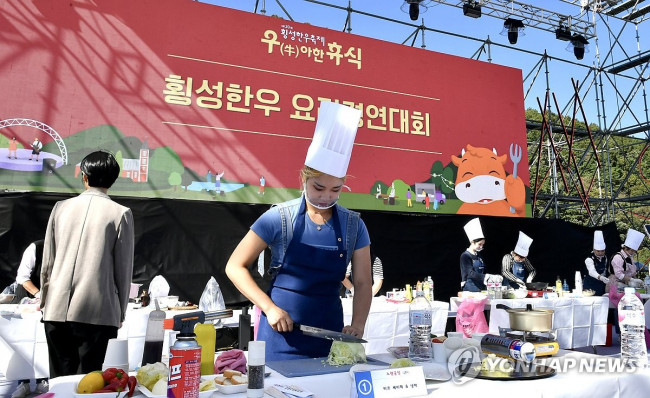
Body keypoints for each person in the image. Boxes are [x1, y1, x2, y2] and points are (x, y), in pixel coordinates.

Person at [225, 101, 371, 361]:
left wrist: (358, 325)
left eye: (335, 190)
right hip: (280, 336)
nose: (326, 196)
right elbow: (235, 266)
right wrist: (269, 308)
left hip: (331, 338)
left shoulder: (353, 225)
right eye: (318, 188)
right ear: (303, 178)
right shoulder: (278, 217)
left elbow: (362, 282)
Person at [40, 150, 134, 377]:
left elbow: (47, 263)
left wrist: (45, 300)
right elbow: (124, 269)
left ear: (84, 176)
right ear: (113, 179)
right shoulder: (120, 213)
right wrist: (120, 312)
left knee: (59, 382)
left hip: (56, 310)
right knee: (89, 383)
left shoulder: (60, 208)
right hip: (99, 312)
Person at [10, 240, 49, 398]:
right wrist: (39, 294)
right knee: (24, 342)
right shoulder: (36, 248)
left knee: (44, 340)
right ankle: (23, 383)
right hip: (27, 300)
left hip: (49, 304)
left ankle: (43, 380)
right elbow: (23, 277)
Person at [460, 218, 502, 292]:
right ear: (472, 242)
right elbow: (470, 273)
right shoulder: (465, 256)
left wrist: (492, 277)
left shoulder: (479, 256)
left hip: (481, 286)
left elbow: (483, 270)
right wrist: (487, 276)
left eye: (483, 244)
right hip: (470, 287)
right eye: (479, 244)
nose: (481, 247)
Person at [582, 230, 609, 296]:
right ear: (594, 250)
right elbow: (592, 272)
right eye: (598, 251)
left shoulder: (605, 257)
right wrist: (601, 277)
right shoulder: (589, 259)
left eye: (602, 251)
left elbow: (605, 268)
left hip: (601, 285)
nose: (600, 253)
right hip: (590, 285)